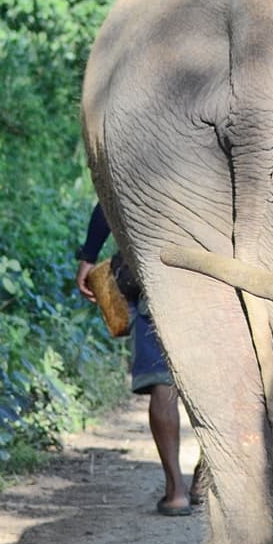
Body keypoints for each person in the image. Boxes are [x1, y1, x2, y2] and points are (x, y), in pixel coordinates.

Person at [75, 203, 206, 516]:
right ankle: (205, 475)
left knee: (163, 381)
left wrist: (88, 257)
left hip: (156, 273)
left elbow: (111, 197)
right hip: (214, 274)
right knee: (216, 382)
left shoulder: (143, 151)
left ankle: (176, 491)